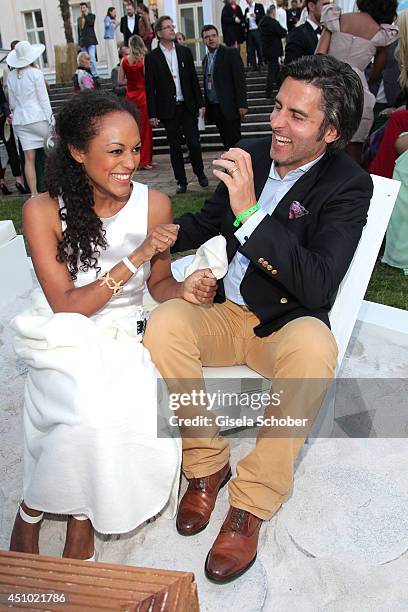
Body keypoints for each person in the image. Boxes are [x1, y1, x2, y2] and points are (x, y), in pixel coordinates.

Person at [143, 54, 372, 583]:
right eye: (276, 107)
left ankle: (251, 502)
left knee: (316, 348)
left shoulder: (348, 186)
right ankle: (206, 464)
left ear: (331, 130)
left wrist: (251, 212)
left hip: (284, 327)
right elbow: (205, 222)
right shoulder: (251, 153)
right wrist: (156, 234)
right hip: (226, 311)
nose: (276, 122)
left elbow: (318, 283)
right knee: (166, 324)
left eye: (297, 115)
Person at [9, 90, 212, 561]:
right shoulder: (40, 210)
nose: (130, 162)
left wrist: (186, 289)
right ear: (78, 153)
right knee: (82, 413)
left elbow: (158, 283)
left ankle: (81, 515)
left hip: (126, 330)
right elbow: (67, 305)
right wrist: (135, 258)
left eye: (136, 148)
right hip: (62, 329)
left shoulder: (154, 204)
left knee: (114, 417)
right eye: (115, 151)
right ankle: (32, 507)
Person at [316, 0, 398, 162]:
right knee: (354, 150)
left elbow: (319, 55)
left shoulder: (336, 18)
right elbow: (376, 73)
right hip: (357, 89)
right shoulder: (382, 33)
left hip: (327, 82)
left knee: (320, 142)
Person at [145, 16, 208, 194]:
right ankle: (181, 181)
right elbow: (150, 88)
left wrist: (200, 103)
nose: (172, 29)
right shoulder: (152, 58)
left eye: (172, 26)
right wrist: (152, 113)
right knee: (175, 147)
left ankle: (200, 172)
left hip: (187, 105)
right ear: (159, 33)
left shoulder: (184, 52)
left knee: (194, 143)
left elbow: (193, 80)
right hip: (168, 109)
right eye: (167, 27)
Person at [6, 41, 52, 197]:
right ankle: (56, 188)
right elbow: (44, 99)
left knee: (28, 158)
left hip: (21, 120)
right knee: (54, 152)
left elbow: (12, 103)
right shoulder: (35, 73)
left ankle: (33, 194)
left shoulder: (11, 76)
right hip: (37, 117)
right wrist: (52, 121)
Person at [201, 25, 248, 151]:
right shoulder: (206, 60)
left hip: (230, 106)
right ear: (203, 40)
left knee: (235, 141)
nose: (211, 39)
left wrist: (242, 104)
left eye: (213, 36)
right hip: (215, 107)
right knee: (225, 141)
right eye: (207, 37)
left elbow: (239, 80)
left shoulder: (230, 53)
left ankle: (238, 167)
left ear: (218, 37)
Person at [119, 35, 153, 170]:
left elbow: (120, 81)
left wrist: (131, 83)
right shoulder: (143, 60)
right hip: (143, 96)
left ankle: (138, 160)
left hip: (130, 97)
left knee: (135, 129)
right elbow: (147, 78)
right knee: (145, 129)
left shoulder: (124, 61)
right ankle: (145, 160)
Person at [0, 80, 27, 195]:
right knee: (11, 148)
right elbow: (2, 100)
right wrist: (7, 115)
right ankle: (18, 180)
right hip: (1, 118)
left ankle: (1, 181)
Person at [284, 0, 325, 65]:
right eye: (325, 5)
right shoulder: (297, 34)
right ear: (311, 6)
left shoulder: (329, 32)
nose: (330, 9)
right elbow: (290, 68)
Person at [259, 5, 288, 98]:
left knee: (276, 71)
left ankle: (280, 89)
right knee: (272, 71)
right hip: (274, 50)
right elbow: (282, 32)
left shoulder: (262, 23)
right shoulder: (273, 23)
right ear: (273, 12)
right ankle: (269, 92)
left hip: (266, 50)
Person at [77, 2, 98, 78]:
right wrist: (79, 42)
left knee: (92, 56)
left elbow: (91, 23)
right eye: (81, 8)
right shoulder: (79, 19)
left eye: (84, 8)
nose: (82, 9)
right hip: (83, 42)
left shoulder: (91, 16)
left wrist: (86, 14)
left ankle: (95, 73)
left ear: (87, 8)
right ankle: (88, 74)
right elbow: (79, 31)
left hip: (91, 40)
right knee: (84, 59)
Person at [244, 0, 266, 70]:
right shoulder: (247, 9)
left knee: (259, 47)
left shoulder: (259, 6)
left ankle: (261, 63)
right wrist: (246, 20)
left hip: (257, 29)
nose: (248, 1)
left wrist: (256, 15)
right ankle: (253, 65)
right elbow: (245, 21)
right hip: (250, 30)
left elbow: (263, 17)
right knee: (251, 49)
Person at [104, 7, 120, 75]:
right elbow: (107, 26)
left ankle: (115, 69)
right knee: (111, 54)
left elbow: (113, 29)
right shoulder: (107, 18)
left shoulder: (112, 19)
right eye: (113, 11)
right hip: (109, 38)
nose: (115, 13)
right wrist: (112, 21)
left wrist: (116, 24)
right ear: (110, 12)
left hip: (112, 37)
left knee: (114, 54)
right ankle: (112, 70)